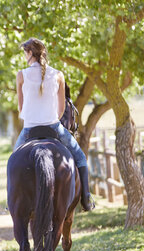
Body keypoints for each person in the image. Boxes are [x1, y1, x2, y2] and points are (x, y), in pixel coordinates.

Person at [14, 38, 95, 211]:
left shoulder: (21, 75)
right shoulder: (58, 75)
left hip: (29, 129)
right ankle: (86, 199)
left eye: (24, 53)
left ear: (29, 53)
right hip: (54, 128)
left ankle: (12, 200)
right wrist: (50, 119)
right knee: (80, 157)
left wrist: (32, 116)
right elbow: (61, 109)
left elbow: (21, 108)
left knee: (13, 161)